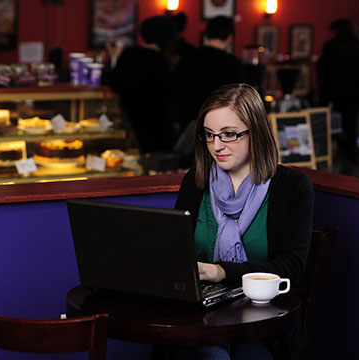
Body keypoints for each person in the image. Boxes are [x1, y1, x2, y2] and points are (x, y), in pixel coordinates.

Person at [173, 83, 315, 359]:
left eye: (229, 135)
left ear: (257, 133)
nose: (216, 146)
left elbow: (291, 268)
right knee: (210, 352)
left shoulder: (292, 187)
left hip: (264, 325)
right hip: (200, 320)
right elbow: (177, 254)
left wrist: (221, 271)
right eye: (209, 135)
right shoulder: (195, 181)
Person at [110, 16, 178, 154]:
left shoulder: (127, 55)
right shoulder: (161, 62)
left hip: (128, 125)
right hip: (155, 129)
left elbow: (114, 85)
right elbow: (171, 95)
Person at [175, 16, 246, 133]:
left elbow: (177, 91)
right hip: (221, 126)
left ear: (206, 35)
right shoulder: (233, 64)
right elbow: (239, 98)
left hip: (190, 124)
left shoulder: (188, 58)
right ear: (230, 37)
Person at [317, 18, 359, 160]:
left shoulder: (331, 47)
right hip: (355, 96)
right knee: (352, 130)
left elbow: (323, 71)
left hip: (333, 95)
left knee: (330, 129)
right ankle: (351, 162)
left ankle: (329, 158)